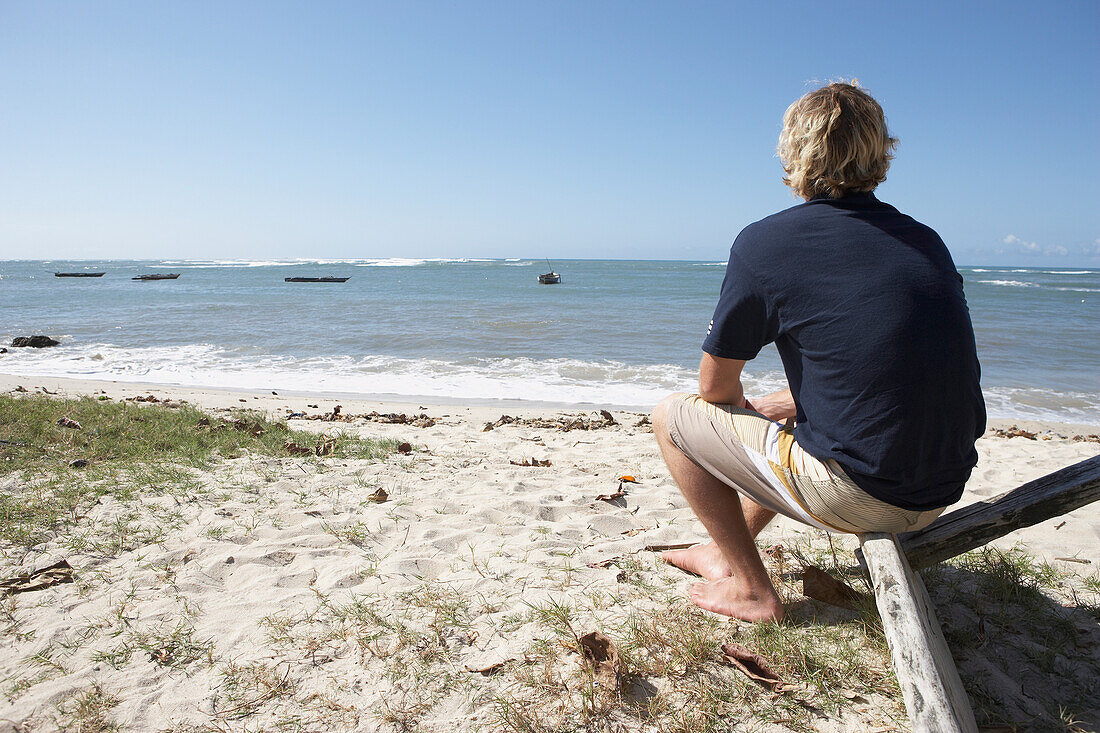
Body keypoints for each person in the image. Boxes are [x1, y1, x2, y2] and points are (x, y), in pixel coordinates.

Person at [651, 81, 985, 622]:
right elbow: (884, 370)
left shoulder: (767, 243)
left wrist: (739, 413)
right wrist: (780, 406)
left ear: (794, 151)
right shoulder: (925, 239)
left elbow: (714, 387)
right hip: (941, 486)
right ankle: (721, 548)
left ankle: (751, 589)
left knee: (673, 416)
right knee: (784, 412)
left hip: (864, 495)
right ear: (881, 150)